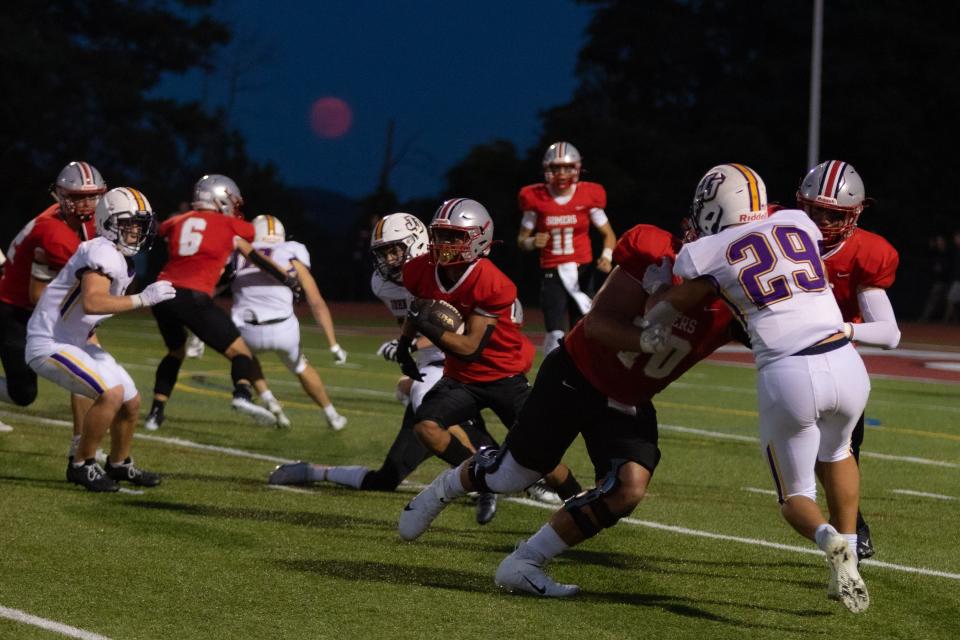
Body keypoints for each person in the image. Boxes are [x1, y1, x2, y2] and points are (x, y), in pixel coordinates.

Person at [397, 214, 739, 596]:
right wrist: (645, 339)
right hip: (578, 374)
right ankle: (446, 486)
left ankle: (524, 562)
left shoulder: (741, 298)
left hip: (628, 397)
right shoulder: (654, 254)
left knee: (628, 488)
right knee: (511, 477)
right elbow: (596, 325)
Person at [640, 164, 871, 613]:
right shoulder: (799, 222)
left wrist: (653, 296)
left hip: (789, 370)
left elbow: (677, 301)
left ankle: (828, 540)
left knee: (795, 497)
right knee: (839, 452)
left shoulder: (702, 252)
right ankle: (850, 555)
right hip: (846, 360)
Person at [269, 212, 543, 523]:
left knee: (429, 401)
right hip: (437, 366)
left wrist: (416, 344)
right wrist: (411, 344)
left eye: (394, 250)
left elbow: (468, 332)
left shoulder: (447, 270)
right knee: (387, 476)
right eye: (383, 252)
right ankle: (312, 471)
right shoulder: (384, 284)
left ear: (416, 245)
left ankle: (502, 480)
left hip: (471, 365)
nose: (388, 259)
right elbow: (417, 322)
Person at [394, 198, 584, 530]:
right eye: (439, 235)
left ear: (478, 238)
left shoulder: (494, 283)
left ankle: (580, 500)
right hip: (460, 379)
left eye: (453, 237)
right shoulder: (419, 269)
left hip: (504, 376)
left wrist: (426, 325)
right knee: (426, 427)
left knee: (541, 457)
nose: (443, 244)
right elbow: (418, 309)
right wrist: (403, 344)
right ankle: (481, 482)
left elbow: (470, 348)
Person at [26, 187, 174, 491]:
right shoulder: (102, 251)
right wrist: (143, 299)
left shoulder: (119, 258)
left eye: (140, 224)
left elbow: (86, 314)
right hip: (49, 342)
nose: (136, 231)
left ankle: (119, 463)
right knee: (111, 393)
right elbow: (94, 302)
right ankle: (82, 464)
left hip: (75, 340)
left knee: (131, 400)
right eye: (128, 224)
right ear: (108, 223)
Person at [796, 160, 901, 560]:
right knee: (811, 458)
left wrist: (842, 330)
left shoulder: (865, 252)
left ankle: (852, 531)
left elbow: (889, 333)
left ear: (853, 214)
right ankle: (850, 529)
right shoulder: (779, 234)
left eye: (832, 213)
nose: (821, 219)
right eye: (814, 209)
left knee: (836, 454)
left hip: (835, 364)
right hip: (786, 360)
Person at [144, 174, 305, 431]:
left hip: (161, 295)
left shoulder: (177, 221)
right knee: (242, 353)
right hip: (193, 297)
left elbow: (159, 229)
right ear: (219, 199)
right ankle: (242, 394)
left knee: (176, 352)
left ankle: (155, 413)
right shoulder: (232, 227)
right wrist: (288, 279)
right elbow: (256, 255)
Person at [0, 161, 104, 451]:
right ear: (60, 195)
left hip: (30, 306)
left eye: (92, 195)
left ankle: (81, 448)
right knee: (23, 394)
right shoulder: (54, 233)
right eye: (77, 196)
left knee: (86, 368)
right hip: (13, 309)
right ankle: (82, 448)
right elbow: (38, 294)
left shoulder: (74, 222)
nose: (86, 204)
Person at [230, 214, 347, 429]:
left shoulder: (238, 251)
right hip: (283, 329)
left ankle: (270, 401)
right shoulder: (291, 252)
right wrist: (333, 343)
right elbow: (316, 302)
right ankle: (332, 415)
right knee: (300, 365)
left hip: (246, 329)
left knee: (245, 355)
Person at [517, 142, 617, 355]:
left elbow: (608, 234)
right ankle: (551, 376)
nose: (561, 174)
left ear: (577, 168)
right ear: (547, 169)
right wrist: (533, 242)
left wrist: (607, 256)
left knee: (581, 327)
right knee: (554, 331)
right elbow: (522, 240)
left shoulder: (588, 195)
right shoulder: (537, 198)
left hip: (582, 271)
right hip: (552, 270)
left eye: (567, 167)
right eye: (556, 168)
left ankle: (580, 374)